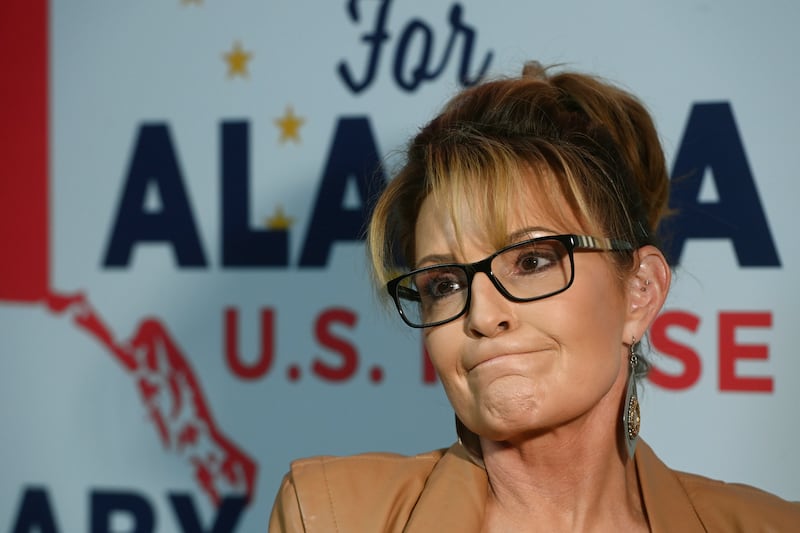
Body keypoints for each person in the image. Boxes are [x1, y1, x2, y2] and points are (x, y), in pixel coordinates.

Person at [268, 61, 800, 532]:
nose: (482, 314)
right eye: (445, 284)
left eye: (531, 261)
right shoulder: (331, 517)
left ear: (640, 293)